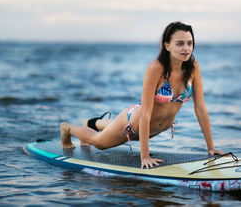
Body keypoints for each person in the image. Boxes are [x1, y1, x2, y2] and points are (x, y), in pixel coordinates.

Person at [60, 22, 224, 169]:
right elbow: (146, 113)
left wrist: (211, 147)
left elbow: (201, 108)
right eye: (180, 44)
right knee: (99, 143)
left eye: (190, 43)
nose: (186, 48)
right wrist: (144, 156)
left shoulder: (193, 68)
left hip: (159, 127)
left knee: (111, 127)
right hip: (135, 123)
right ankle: (67, 128)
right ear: (167, 45)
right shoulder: (156, 68)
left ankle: (92, 122)